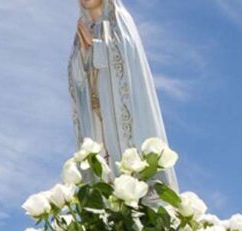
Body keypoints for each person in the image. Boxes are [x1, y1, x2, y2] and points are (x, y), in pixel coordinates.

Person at [69, 0, 178, 190]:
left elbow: (126, 63)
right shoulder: (81, 32)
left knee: (129, 172)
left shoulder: (120, 21)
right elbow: (76, 79)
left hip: (121, 120)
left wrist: (96, 47)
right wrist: (85, 54)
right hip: (96, 120)